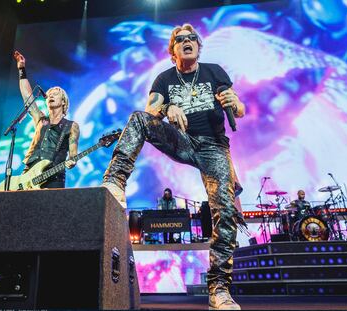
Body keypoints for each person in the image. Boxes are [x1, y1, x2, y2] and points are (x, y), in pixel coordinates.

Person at [102, 23, 245, 310]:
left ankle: (219, 290)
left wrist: (236, 102)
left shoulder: (215, 71)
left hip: (214, 146)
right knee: (138, 119)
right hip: (182, 139)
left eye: (192, 38)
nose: (187, 41)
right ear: (173, 52)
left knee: (226, 212)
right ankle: (115, 181)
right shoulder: (165, 78)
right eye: (180, 39)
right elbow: (151, 110)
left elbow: (238, 110)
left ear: (199, 46)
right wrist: (167, 108)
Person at [14, 50, 79, 188]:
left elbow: (73, 154)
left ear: (63, 102)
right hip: (29, 173)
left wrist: (72, 161)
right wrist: (21, 69)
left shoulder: (71, 126)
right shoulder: (40, 118)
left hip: (53, 176)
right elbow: (27, 97)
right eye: (49, 94)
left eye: (56, 94)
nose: (51, 95)